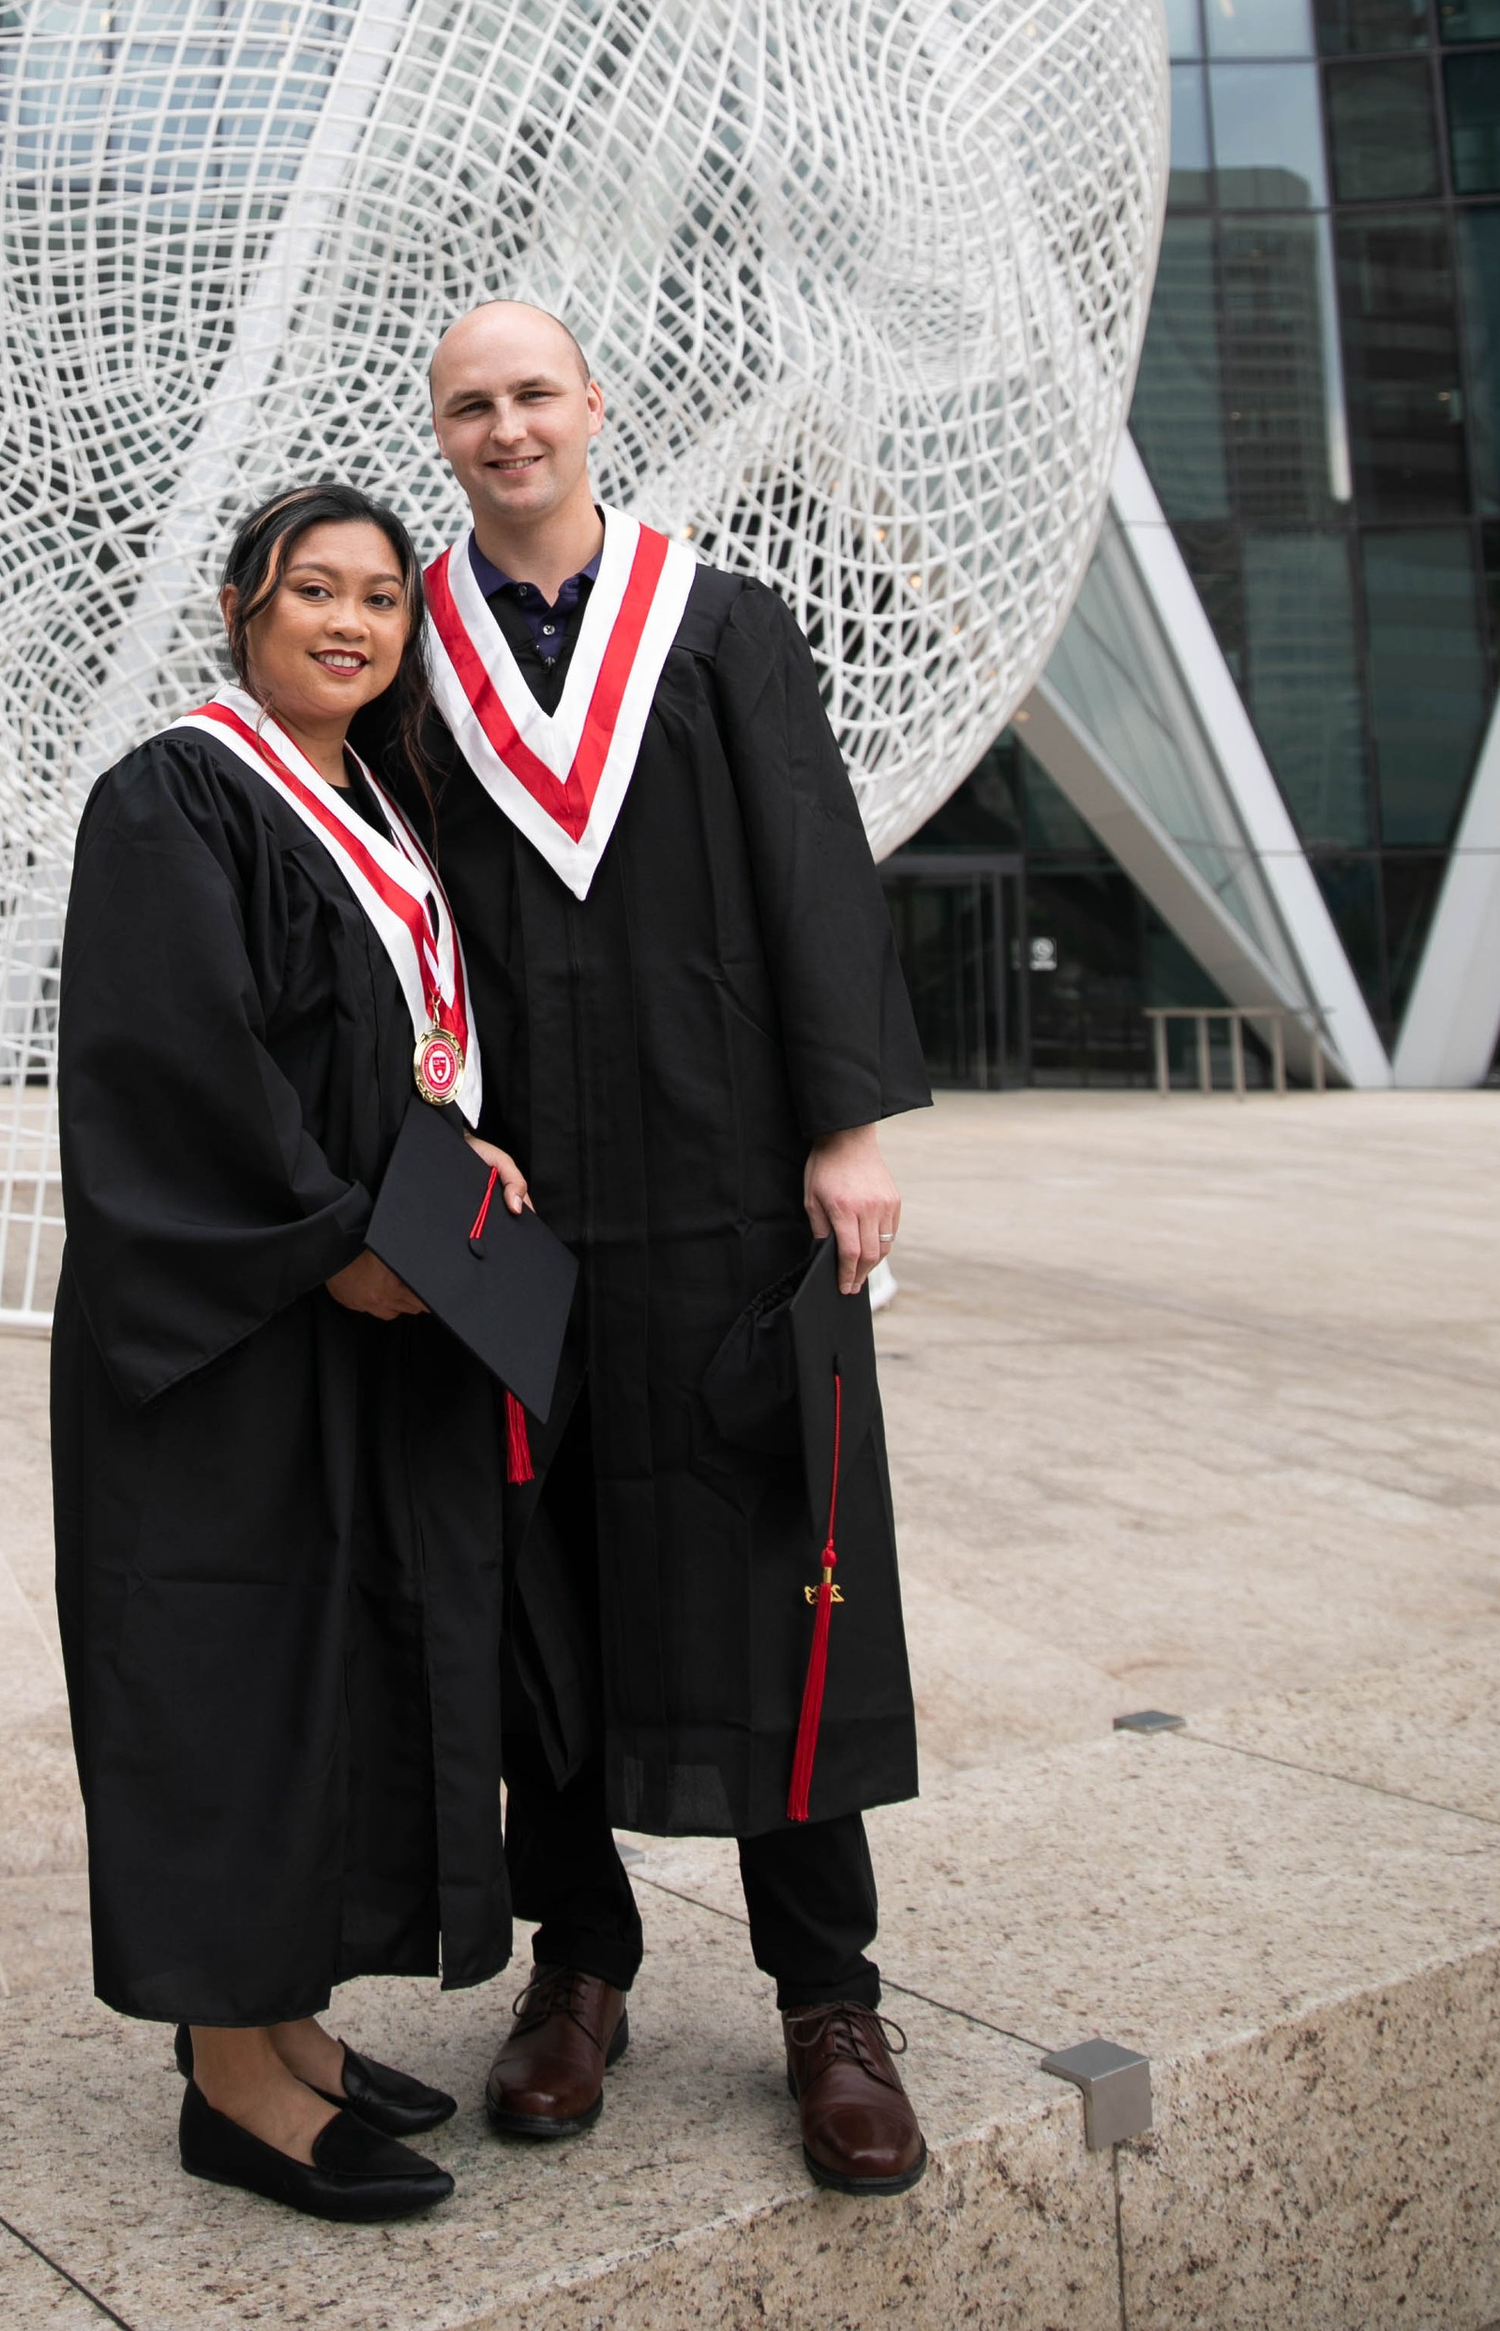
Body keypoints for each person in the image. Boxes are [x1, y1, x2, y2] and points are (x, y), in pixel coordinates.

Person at [403, 302, 932, 2197]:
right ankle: (581, 1963)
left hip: (725, 1190)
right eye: (472, 405)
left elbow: (812, 867)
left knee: (782, 1554)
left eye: (533, 393)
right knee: (539, 1580)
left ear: (594, 407)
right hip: (528, 1205)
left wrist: (850, 1127)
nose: (507, 427)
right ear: (443, 435)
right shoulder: (420, 659)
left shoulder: (716, 625)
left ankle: (830, 1996)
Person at [52, 481, 532, 2223]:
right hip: (230, 1342)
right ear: (246, 608)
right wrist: (335, 1242)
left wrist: (456, 1167)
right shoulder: (177, 792)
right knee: (230, 1676)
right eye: (312, 591)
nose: (350, 622)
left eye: (381, 600)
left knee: (333, 1667)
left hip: (364, 1317)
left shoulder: (375, 804)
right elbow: (176, 1063)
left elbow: (392, 1045)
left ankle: (298, 2022)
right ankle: (228, 2078)